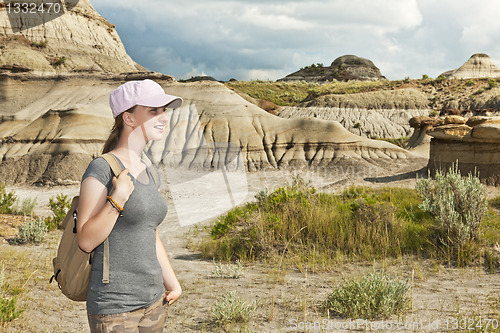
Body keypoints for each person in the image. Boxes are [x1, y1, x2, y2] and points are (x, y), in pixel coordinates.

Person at [77, 79, 183, 332]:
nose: (164, 117)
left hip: (154, 300)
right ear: (129, 118)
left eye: (164, 110)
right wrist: (118, 198)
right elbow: (86, 240)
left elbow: (151, 233)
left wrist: (172, 282)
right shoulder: (102, 168)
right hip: (115, 307)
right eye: (154, 111)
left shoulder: (150, 171)